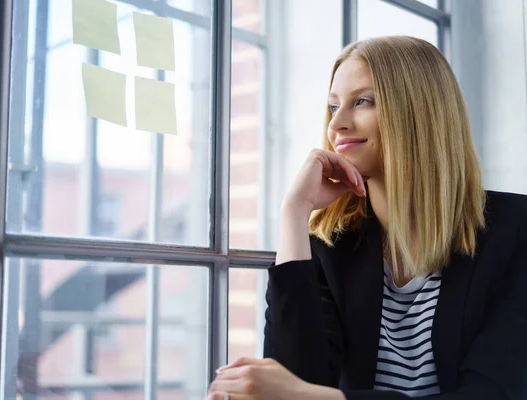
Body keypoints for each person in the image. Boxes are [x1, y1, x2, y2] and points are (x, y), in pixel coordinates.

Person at [207, 36, 527, 399]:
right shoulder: (330, 245)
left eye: (362, 101)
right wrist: (294, 215)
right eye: (332, 107)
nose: (337, 124)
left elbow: (493, 392)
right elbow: (295, 382)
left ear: (419, 111)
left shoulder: (515, 231)